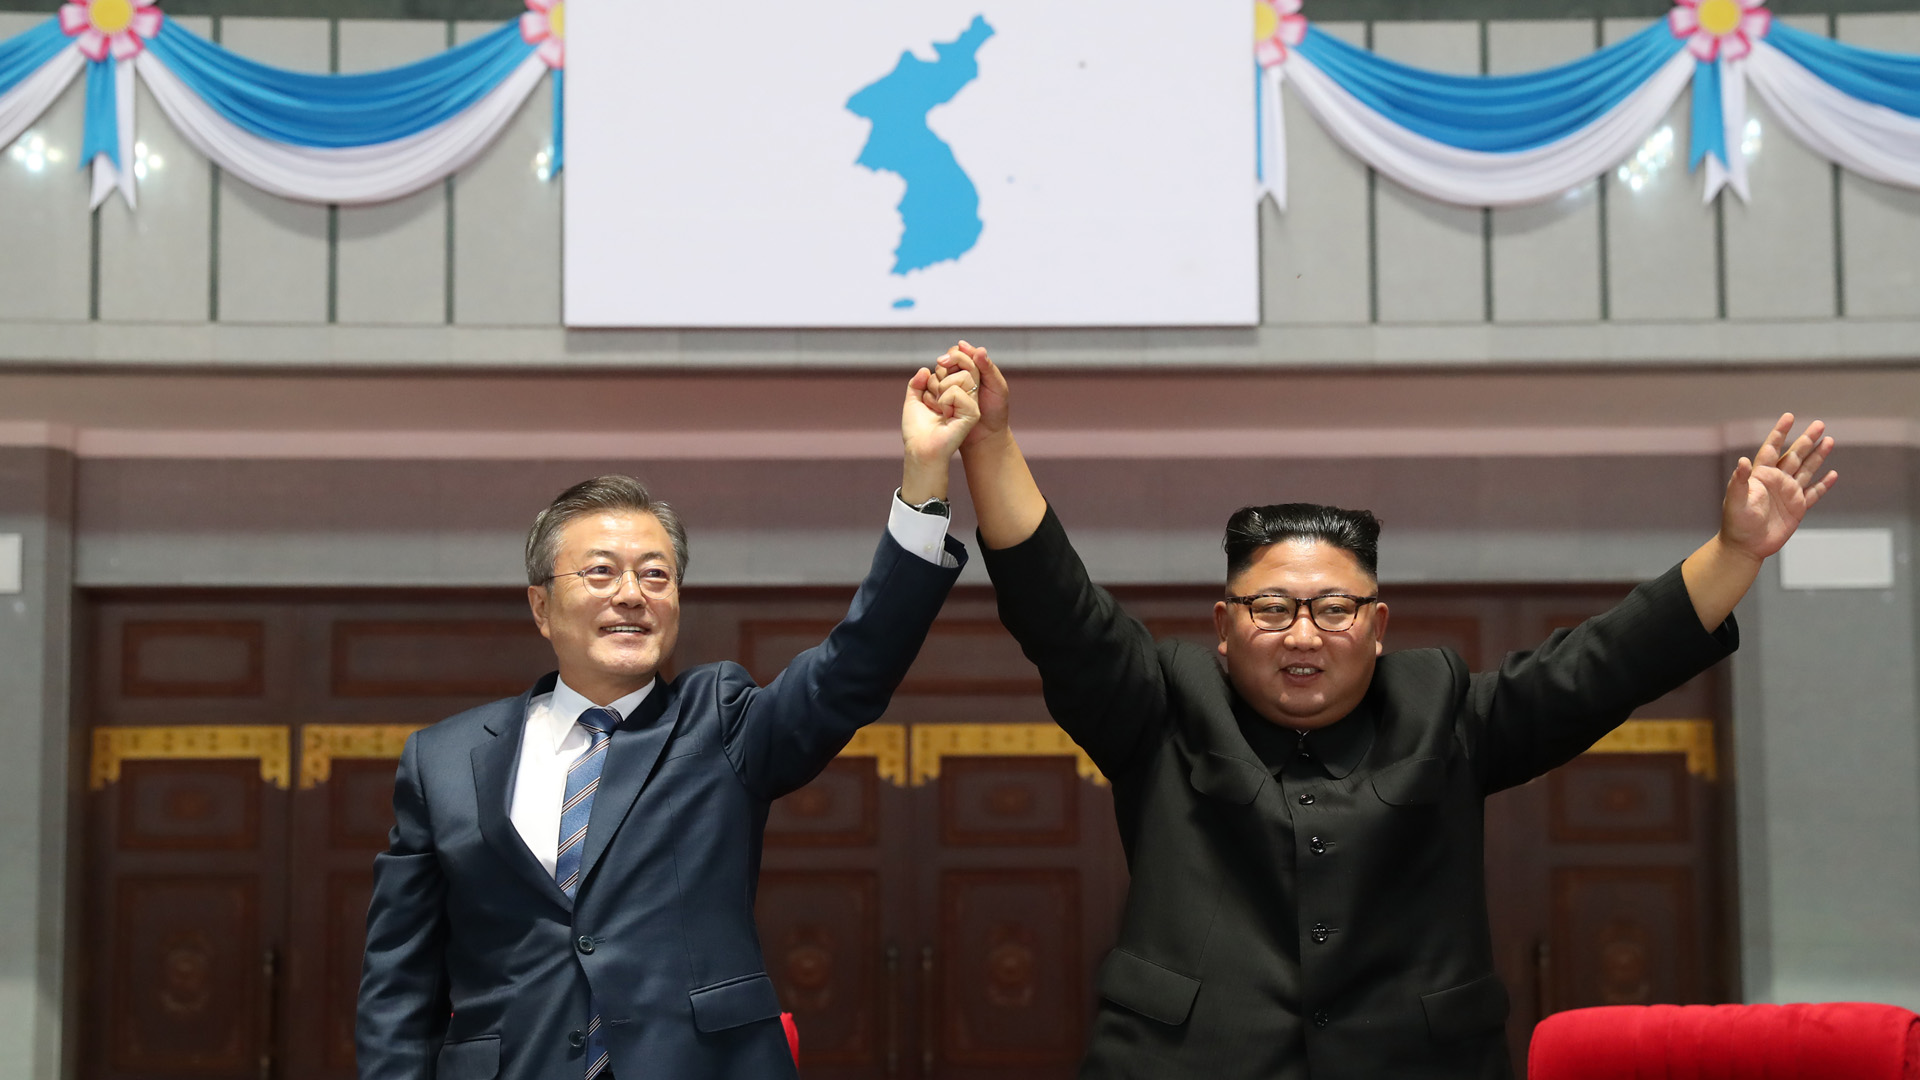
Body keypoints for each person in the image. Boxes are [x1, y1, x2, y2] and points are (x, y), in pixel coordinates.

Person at [931, 341, 1837, 1080]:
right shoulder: (1161, 706)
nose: (1302, 635)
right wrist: (991, 444)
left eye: (1333, 609)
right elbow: (1058, 611)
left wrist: (1734, 554)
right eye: (1272, 609)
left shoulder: (1438, 709)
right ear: (1223, 625)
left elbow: (1597, 669)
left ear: (1375, 626)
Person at [356, 366, 981, 1080]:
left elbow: (856, 664)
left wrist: (926, 474)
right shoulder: (444, 761)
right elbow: (397, 990)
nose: (632, 594)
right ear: (540, 607)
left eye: (656, 575)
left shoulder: (718, 722)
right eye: (600, 573)